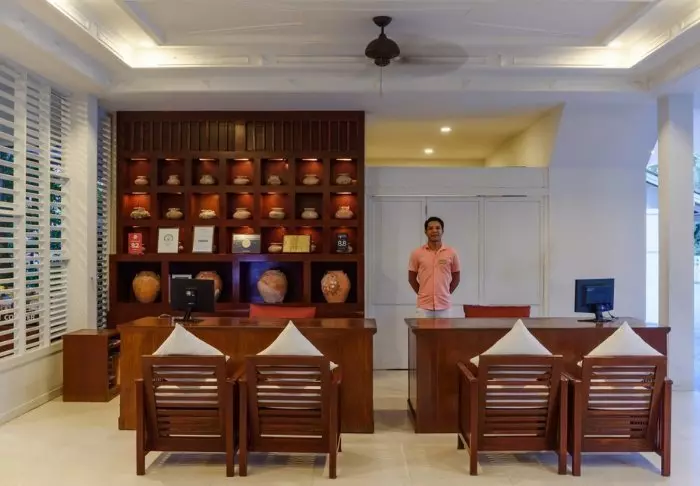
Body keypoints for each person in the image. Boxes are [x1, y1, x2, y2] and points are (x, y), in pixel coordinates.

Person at [408, 216, 461, 317]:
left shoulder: (451, 253)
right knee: (422, 329)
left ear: (442, 231)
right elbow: (411, 278)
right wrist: (422, 293)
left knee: (445, 329)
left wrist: (446, 292)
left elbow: (456, 277)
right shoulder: (417, 253)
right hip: (423, 307)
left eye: (437, 228)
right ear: (425, 231)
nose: (434, 231)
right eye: (430, 228)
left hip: (444, 306)